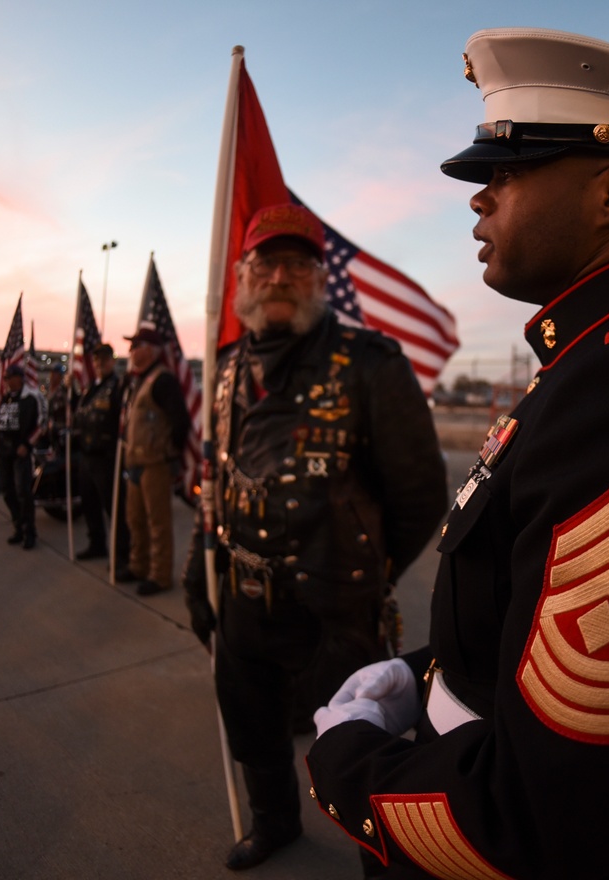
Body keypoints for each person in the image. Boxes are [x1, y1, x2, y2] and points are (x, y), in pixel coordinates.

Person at [306, 28, 609, 880]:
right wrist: (425, 674)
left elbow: (541, 814)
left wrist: (347, 762)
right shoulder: (599, 365)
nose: (478, 199)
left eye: (505, 173)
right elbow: (523, 606)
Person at [182, 203, 447, 871]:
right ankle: (274, 823)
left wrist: (363, 569)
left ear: (318, 277)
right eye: (264, 263)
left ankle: (374, 859)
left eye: (296, 265)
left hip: (335, 606)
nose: (279, 277)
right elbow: (216, 478)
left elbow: (419, 498)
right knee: (252, 724)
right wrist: (198, 566)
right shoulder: (229, 368)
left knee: (359, 747)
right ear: (242, 276)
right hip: (243, 598)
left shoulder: (370, 364)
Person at [117, 321, 190, 595]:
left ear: (154, 350)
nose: (132, 350)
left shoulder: (162, 380)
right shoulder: (137, 381)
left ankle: (159, 576)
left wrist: (168, 453)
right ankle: (138, 565)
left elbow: (180, 421)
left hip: (154, 464)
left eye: (137, 345)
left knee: (157, 522)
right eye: (132, 346)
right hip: (134, 463)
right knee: (134, 519)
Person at [72, 343, 129, 563]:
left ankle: (122, 554)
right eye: (96, 360)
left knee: (113, 509)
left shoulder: (117, 386)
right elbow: (81, 414)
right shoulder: (91, 388)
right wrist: (73, 397)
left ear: (112, 362)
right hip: (87, 455)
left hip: (106, 456)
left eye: (104, 360)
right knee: (89, 504)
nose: (99, 364)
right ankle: (96, 544)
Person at [0, 364, 42, 549]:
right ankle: (18, 526)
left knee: (23, 491)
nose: (7, 381)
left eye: (10, 377)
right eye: (5, 378)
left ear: (20, 378)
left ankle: (30, 532)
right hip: (4, 453)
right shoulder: (4, 400)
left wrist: (28, 444)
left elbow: (40, 424)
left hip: (21, 453)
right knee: (7, 491)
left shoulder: (30, 399)